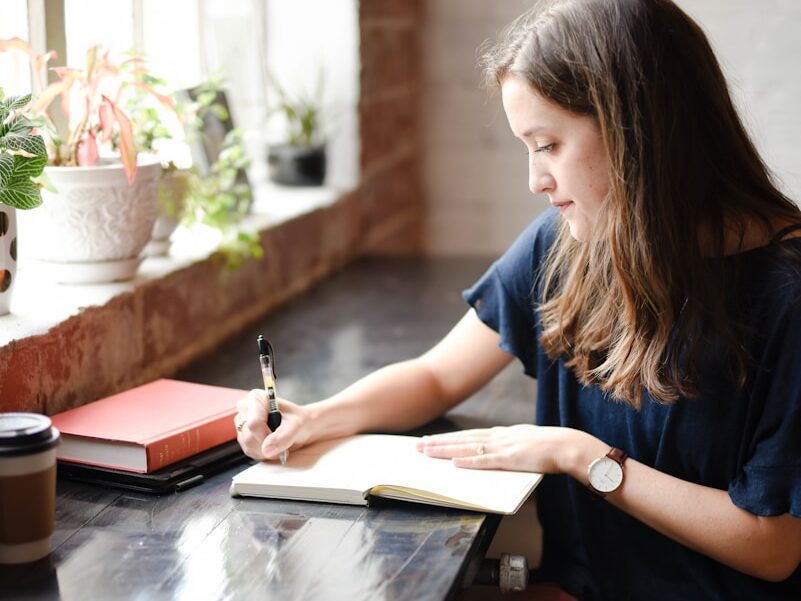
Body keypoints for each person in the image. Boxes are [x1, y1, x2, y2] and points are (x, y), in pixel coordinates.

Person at [235, 1, 801, 598]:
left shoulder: (786, 297)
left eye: (548, 144)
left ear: (639, 130)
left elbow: (772, 547)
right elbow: (436, 375)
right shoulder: (569, 242)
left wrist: (582, 456)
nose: (535, 180)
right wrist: (314, 418)